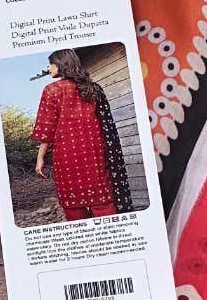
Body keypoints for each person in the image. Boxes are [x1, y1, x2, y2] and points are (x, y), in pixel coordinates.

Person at [31, 49, 133, 221]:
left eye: (51, 64)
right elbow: (106, 124)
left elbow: (47, 129)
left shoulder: (51, 90)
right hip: (95, 153)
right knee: (102, 200)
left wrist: (40, 157)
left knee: (74, 206)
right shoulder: (94, 89)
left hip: (66, 155)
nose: (49, 68)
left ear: (61, 64)